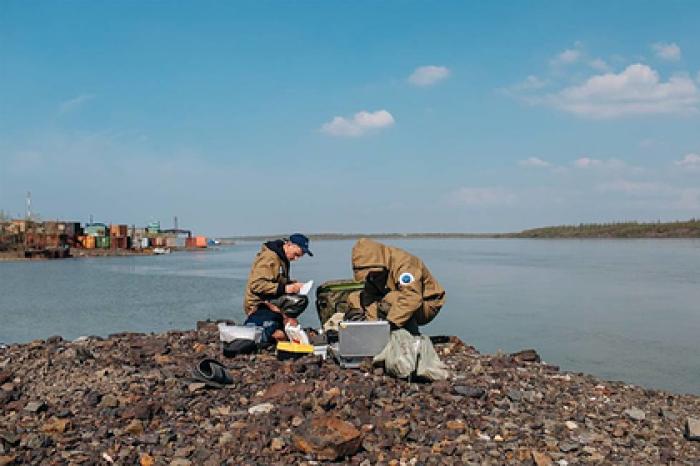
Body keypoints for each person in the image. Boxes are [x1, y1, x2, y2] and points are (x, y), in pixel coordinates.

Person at [347, 238, 445, 335]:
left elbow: (412, 298)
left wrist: (389, 325)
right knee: (355, 297)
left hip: (426, 304)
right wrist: (371, 326)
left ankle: (412, 336)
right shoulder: (375, 273)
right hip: (395, 295)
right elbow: (370, 296)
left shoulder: (405, 264)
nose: (370, 276)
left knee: (392, 299)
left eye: (370, 273)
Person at [242, 233, 313, 344]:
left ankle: (282, 323)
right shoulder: (270, 257)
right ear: (289, 245)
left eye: (300, 256)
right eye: (296, 254)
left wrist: (293, 284)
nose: (296, 259)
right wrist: (286, 288)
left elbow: (276, 280)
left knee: (299, 297)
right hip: (258, 303)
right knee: (299, 301)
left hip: (270, 297)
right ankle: (278, 323)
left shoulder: (282, 257)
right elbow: (256, 285)